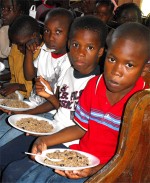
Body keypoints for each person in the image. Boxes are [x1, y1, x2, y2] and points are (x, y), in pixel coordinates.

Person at [1, 22, 150, 182]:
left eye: (129, 65)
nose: (116, 71)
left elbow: (132, 157)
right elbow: (81, 128)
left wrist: (94, 169)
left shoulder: (142, 103)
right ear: (106, 55)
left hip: (109, 169)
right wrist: (44, 140)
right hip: (79, 153)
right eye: (112, 59)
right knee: (13, 172)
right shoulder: (94, 85)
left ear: (144, 69)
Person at [0, 15, 106, 147]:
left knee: (6, 146)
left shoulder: (71, 65)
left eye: (58, 32)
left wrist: (26, 113)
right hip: (36, 104)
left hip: (49, 114)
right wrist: (28, 52)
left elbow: (58, 106)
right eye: (46, 31)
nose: (50, 37)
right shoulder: (46, 51)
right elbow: (29, 76)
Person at [0, 15, 42, 145]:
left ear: (35, 36)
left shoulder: (43, 54)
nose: (18, 48)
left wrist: (17, 86)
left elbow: (34, 83)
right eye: (15, 44)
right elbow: (14, 74)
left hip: (33, 101)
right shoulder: (17, 48)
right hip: (18, 95)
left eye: (20, 45)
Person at [0, 0, 33, 79]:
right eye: (2, 8)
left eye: (9, 9)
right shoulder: (3, 30)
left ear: (21, 12)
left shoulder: (28, 37)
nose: (3, 13)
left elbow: (25, 76)